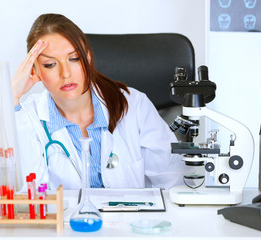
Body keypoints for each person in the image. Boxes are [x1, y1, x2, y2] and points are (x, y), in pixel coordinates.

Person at [12, 13, 190, 191]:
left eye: (74, 59)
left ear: (88, 59)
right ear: (34, 70)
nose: (65, 73)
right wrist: (12, 97)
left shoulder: (134, 105)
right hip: (67, 219)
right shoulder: (28, 119)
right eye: (50, 64)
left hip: (133, 219)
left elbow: (175, 184)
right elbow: (28, 196)